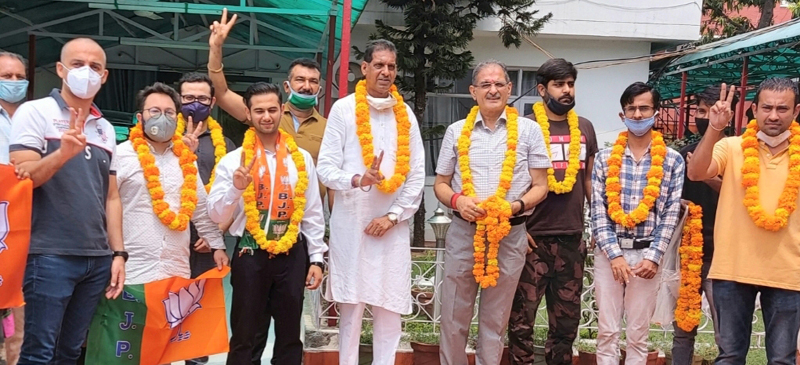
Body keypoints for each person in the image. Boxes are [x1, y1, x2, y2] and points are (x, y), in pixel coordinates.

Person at [9, 38, 126, 365]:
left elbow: (112, 196)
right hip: (48, 254)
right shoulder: (35, 112)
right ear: (60, 69)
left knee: (71, 352)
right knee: (38, 353)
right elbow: (23, 178)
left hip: (96, 258)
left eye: (95, 67)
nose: (86, 72)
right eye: (77, 64)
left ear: (104, 76)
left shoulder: (105, 129)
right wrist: (62, 154)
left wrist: (118, 253)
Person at [316, 39, 425, 365]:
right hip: (352, 224)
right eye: (379, 65)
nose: (385, 72)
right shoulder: (344, 109)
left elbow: (416, 174)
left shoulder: (405, 114)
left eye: (391, 66)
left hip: (392, 228)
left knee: (389, 310)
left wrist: (393, 216)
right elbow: (325, 168)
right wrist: (357, 180)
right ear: (364, 68)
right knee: (351, 310)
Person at [434, 60, 550, 365]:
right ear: (473, 91)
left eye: (499, 84)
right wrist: (458, 201)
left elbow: (541, 186)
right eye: (485, 84)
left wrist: (515, 206)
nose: (493, 90)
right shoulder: (456, 131)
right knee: (453, 317)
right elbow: (441, 184)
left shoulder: (529, 131)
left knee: (495, 320)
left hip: (509, 234)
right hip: (464, 233)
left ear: (509, 89)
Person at [207, 82, 327, 365]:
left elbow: (312, 212)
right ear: (248, 113)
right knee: (245, 334)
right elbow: (216, 214)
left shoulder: (301, 160)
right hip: (250, 253)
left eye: (272, 109)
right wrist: (236, 188)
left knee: (289, 335)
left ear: (282, 109)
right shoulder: (234, 161)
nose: (266, 116)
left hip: (292, 254)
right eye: (259, 111)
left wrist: (316, 259)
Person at [687, 78, 800, 364]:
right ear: (754, 109)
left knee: (782, 360)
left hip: (788, 272)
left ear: (796, 111)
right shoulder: (732, 146)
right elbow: (697, 172)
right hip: (732, 269)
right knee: (730, 357)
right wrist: (715, 128)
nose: (773, 115)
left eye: (782, 109)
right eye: (767, 107)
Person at [508, 58, 597, 365]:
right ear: (543, 89)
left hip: (571, 240)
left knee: (566, 326)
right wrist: (517, 228)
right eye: (559, 85)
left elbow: (588, 179)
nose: (567, 90)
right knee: (521, 322)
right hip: (531, 240)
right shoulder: (523, 127)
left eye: (571, 84)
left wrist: (597, 224)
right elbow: (508, 180)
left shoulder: (585, 127)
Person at [591, 82, 684, 365]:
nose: (638, 114)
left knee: (638, 334)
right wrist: (614, 255)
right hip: (609, 255)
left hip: (647, 258)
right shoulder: (605, 159)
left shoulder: (672, 160)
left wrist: (654, 257)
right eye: (631, 108)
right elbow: (598, 210)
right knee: (607, 331)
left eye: (644, 108)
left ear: (655, 112)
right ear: (622, 115)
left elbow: (670, 214)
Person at [207, 9, 332, 209]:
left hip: (306, 216)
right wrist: (216, 48)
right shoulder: (267, 114)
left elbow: (332, 179)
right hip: (260, 212)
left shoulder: (329, 128)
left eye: (313, 81)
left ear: (320, 89)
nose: (306, 86)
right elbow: (221, 94)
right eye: (300, 80)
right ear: (287, 86)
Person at [113, 81, 228, 288]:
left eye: (169, 112)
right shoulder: (120, 155)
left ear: (177, 118)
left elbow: (200, 209)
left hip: (176, 270)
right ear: (140, 117)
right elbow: (106, 206)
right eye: (155, 111)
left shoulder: (185, 159)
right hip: (131, 270)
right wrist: (115, 255)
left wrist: (217, 246)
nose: (162, 117)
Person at [670, 85, 731, 365]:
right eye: (700, 111)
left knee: (726, 333)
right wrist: (677, 204)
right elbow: (670, 200)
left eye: (710, 111)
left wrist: (705, 176)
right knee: (683, 329)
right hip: (689, 254)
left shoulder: (737, 153)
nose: (705, 117)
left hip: (724, 257)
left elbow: (744, 198)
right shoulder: (683, 155)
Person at [0, 51, 28, 365]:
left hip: (19, 229)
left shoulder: (33, 117)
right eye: (6, 76)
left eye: (20, 77)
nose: (14, 82)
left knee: (18, 322)